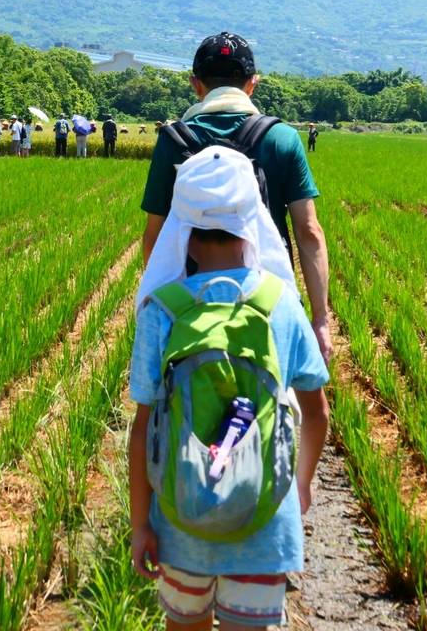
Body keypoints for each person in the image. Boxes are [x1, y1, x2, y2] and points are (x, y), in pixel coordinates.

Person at [129, 146, 329, 631]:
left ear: (185, 236)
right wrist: (298, 485)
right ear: (252, 223)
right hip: (265, 525)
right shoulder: (280, 303)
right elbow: (317, 413)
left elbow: (142, 431)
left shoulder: (165, 308)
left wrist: (141, 525)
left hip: (182, 523)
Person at [141, 32, 333, 364]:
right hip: (267, 302)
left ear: (196, 85)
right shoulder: (282, 139)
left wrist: (161, 307)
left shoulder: (173, 142)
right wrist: (320, 320)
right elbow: (309, 232)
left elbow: (155, 236)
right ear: (252, 84)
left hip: (192, 307)